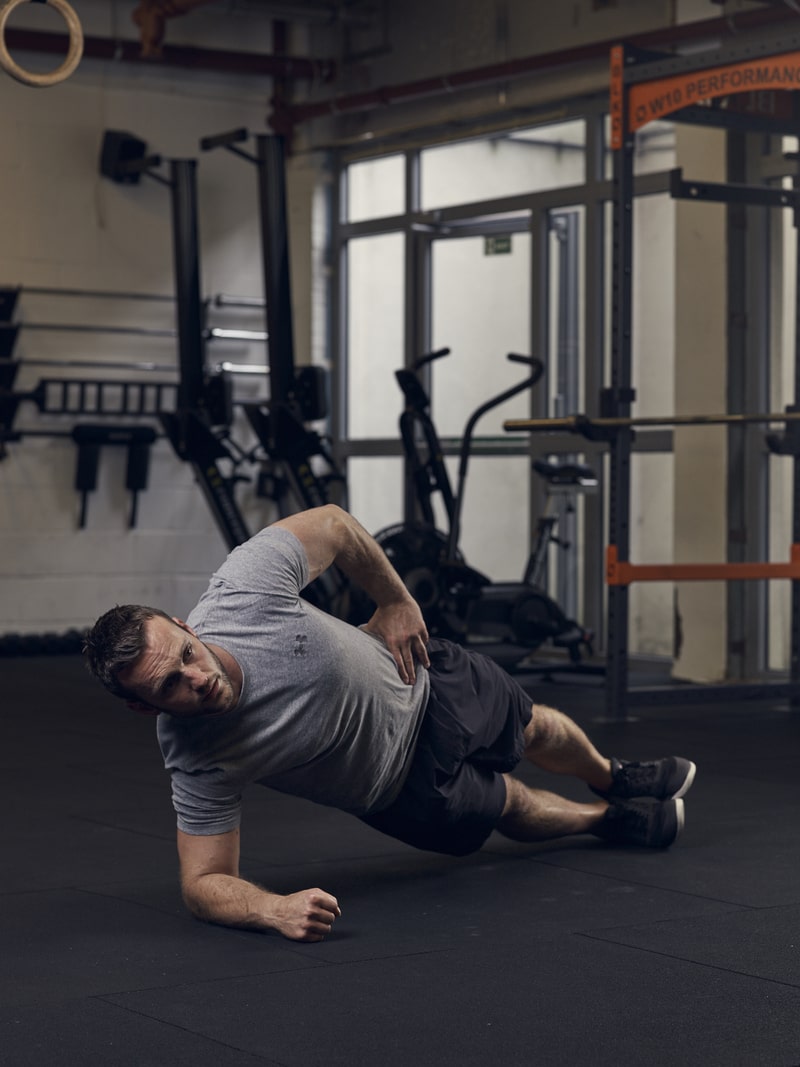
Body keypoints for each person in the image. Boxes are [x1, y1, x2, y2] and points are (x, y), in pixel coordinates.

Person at [84, 504, 696, 943]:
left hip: (424, 679)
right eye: (169, 686)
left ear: (189, 630)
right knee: (510, 803)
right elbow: (204, 882)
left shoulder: (243, 589)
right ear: (145, 707)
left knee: (534, 726)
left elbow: (334, 523)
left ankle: (612, 776)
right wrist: (272, 908)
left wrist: (396, 600)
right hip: (401, 792)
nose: (197, 678)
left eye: (186, 655)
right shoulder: (194, 755)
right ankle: (608, 819)